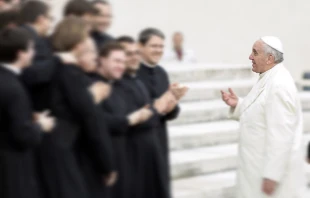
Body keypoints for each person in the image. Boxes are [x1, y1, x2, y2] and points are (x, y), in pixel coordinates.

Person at [36, 16, 115, 198]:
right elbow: (91, 120)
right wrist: (108, 165)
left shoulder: (51, 67)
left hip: (48, 147)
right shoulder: (71, 73)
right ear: (78, 43)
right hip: (61, 151)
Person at [221, 36, 305, 198]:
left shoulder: (279, 85)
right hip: (255, 170)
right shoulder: (269, 76)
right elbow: (261, 112)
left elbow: (282, 135)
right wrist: (238, 105)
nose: (250, 57)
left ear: (269, 58)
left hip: (269, 179)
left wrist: (272, 176)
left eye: (255, 53)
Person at [0, 27, 55, 198]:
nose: (33, 53)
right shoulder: (14, 88)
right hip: (12, 167)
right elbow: (23, 135)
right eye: (31, 49)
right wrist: (41, 125)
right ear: (20, 53)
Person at [136, 28, 186, 196]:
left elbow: (170, 110)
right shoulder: (133, 73)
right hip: (138, 140)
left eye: (161, 46)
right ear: (140, 46)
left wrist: (172, 105)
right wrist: (160, 104)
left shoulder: (161, 73)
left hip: (159, 138)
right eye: (153, 46)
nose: (158, 50)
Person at [19, 0, 57, 112]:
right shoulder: (33, 40)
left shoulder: (19, 34)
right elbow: (32, 73)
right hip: (31, 104)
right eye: (51, 19)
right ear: (41, 19)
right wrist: (58, 60)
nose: (51, 24)